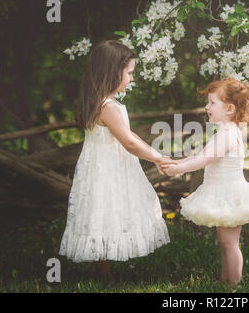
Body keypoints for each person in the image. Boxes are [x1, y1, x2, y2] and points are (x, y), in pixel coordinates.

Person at [59, 40, 174, 281]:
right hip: (107, 170)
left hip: (102, 167)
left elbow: (130, 135)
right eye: (129, 73)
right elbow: (129, 142)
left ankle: (104, 270)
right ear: (112, 72)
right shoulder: (108, 107)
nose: (132, 79)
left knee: (105, 212)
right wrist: (157, 158)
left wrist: (157, 155)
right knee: (106, 211)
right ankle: (104, 274)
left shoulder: (100, 102)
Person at [161, 78, 249, 286]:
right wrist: (177, 162)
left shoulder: (228, 135)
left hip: (230, 195)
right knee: (224, 241)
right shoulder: (223, 132)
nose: (207, 106)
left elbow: (203, 160)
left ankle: (233, 285)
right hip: (220, 193)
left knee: (230, 243)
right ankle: (225, 280)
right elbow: (202, 155)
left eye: (212, 103)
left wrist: (179, 169)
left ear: (229, 108)